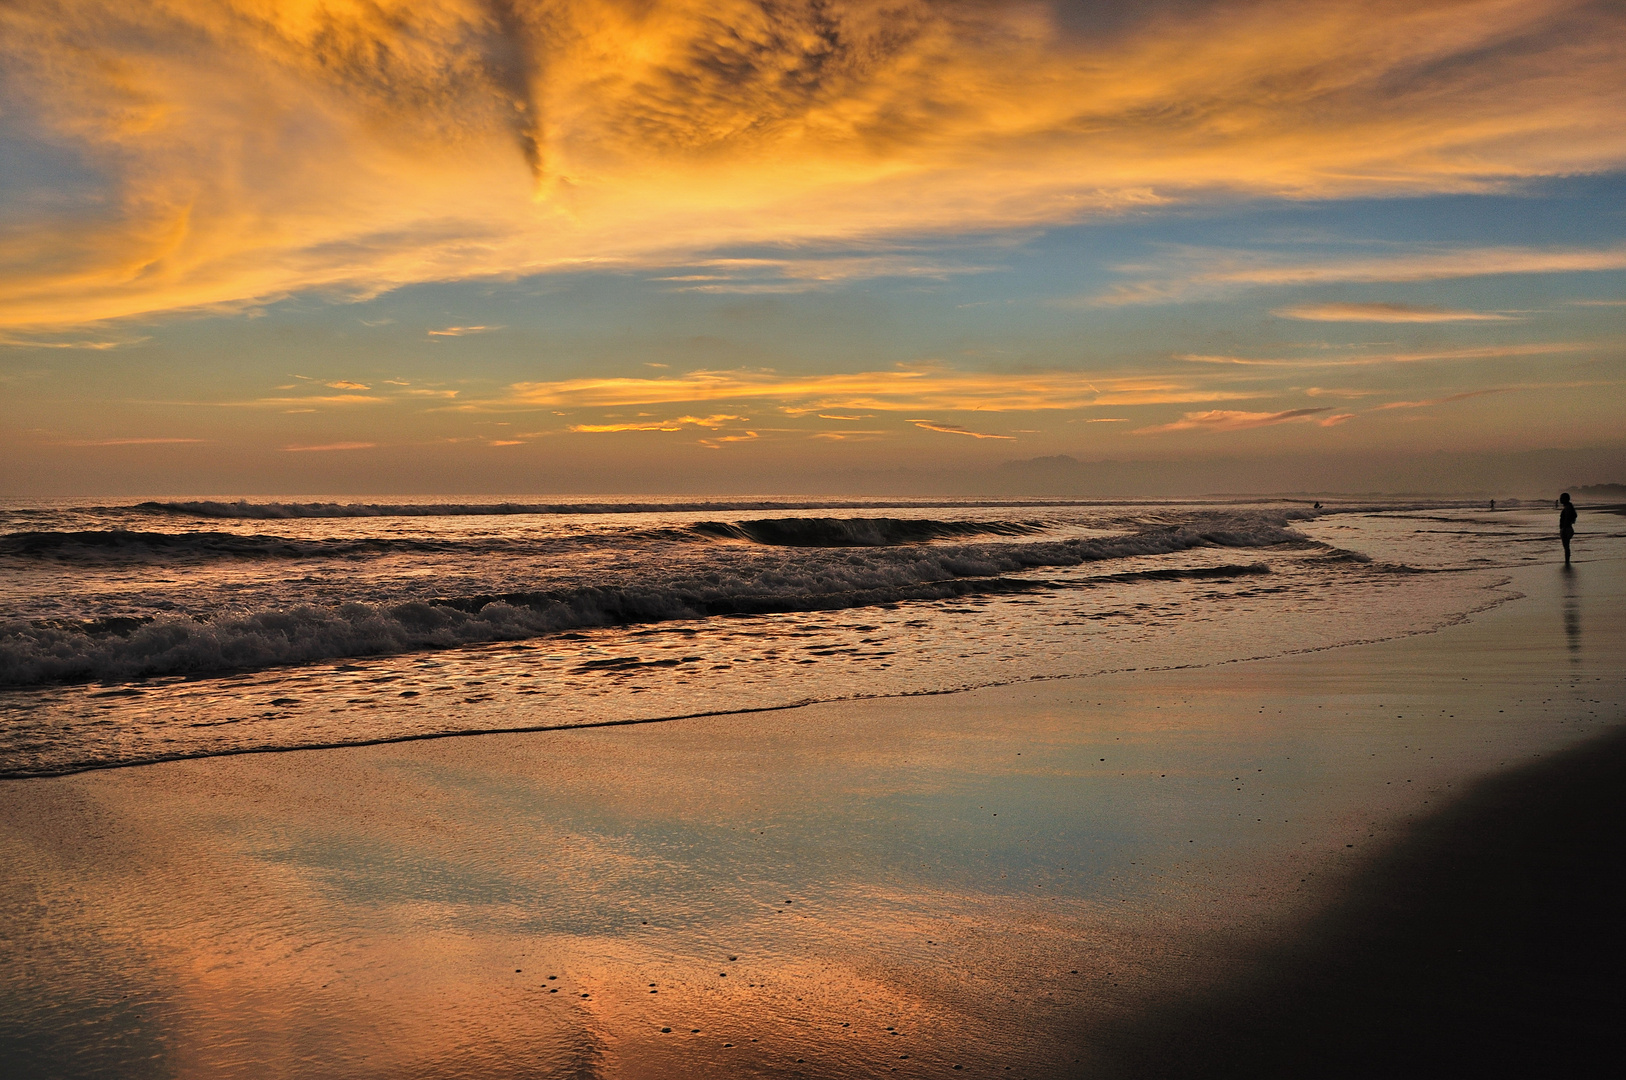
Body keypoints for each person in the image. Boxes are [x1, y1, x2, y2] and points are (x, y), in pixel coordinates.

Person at [1558, 492, 1577, 566]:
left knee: (1566, 546)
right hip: (1568, 528)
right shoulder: (1569, 506)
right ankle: (1567, 561)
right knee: (1566, 546)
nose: (1560, 499)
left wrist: (1564, 528)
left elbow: (1567, 518)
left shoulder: (1568, 507)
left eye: (1561, 498)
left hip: (1566, 528)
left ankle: (1567, 561)